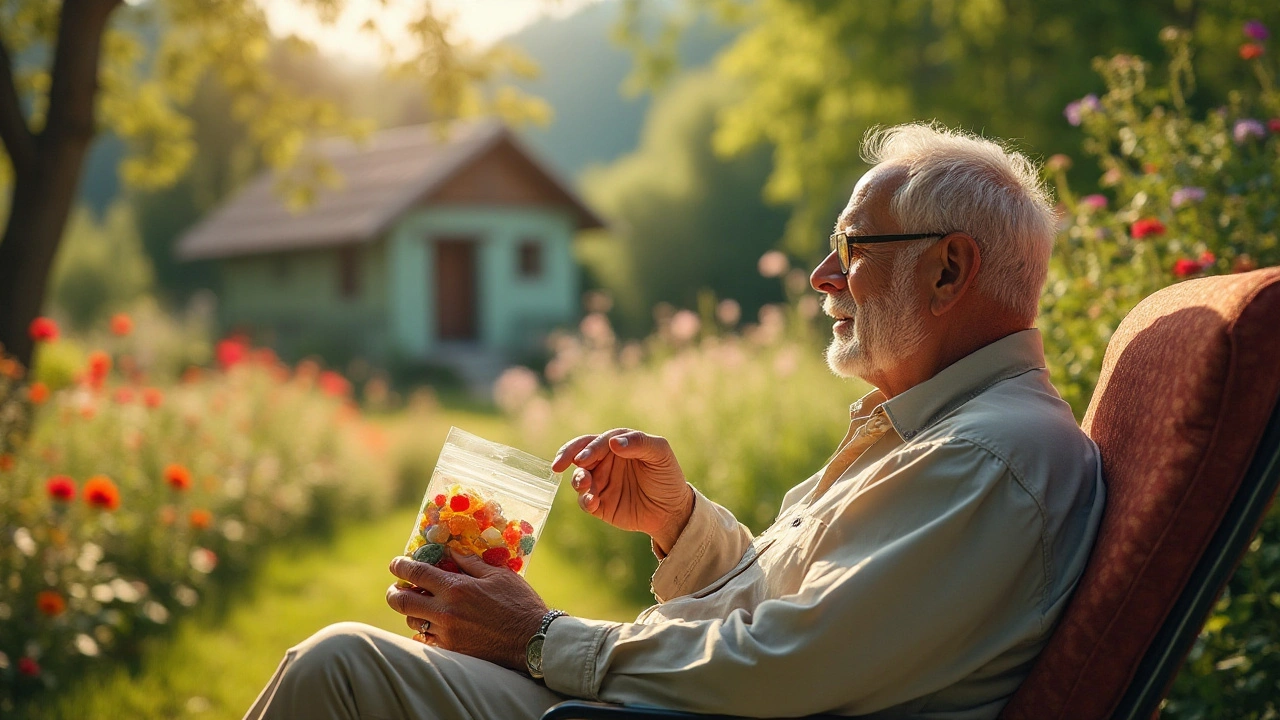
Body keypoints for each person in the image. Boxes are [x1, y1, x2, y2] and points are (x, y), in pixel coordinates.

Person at [244, 123, 1105, 720]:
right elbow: (796, 618)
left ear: (950, 270)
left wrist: (538, 638)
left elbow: (781, 669)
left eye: (851, 249)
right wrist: (680, 522)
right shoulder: (945, 435)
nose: (821, 277)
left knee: (343, 670)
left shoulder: (991, 459)